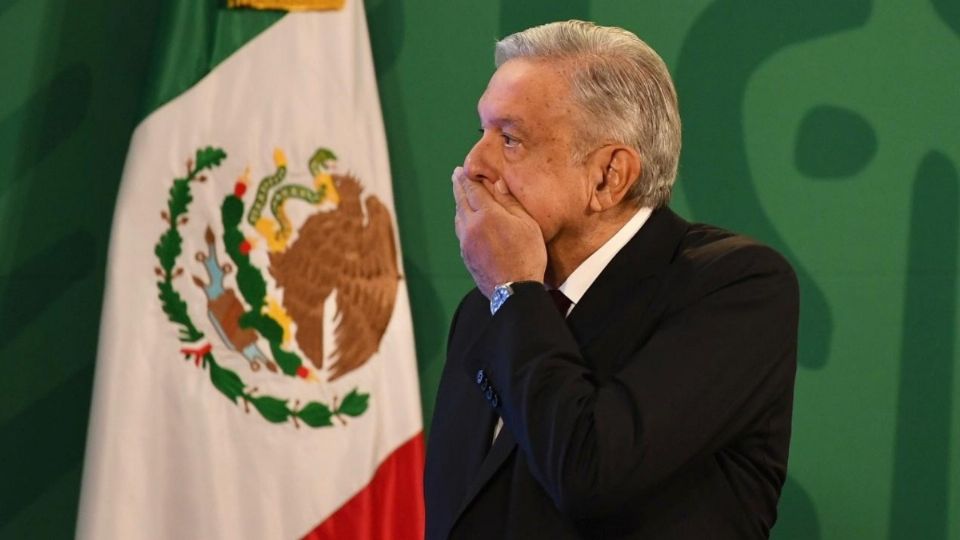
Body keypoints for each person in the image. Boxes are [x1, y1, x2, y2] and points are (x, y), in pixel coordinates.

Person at [424, 20, 799, 539]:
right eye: (481, 131)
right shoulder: (484, 308)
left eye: (510, 138)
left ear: (608, 177)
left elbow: (588, 474)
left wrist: (514, 293)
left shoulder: (734, 287)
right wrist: (510, 296)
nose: (473, 164)